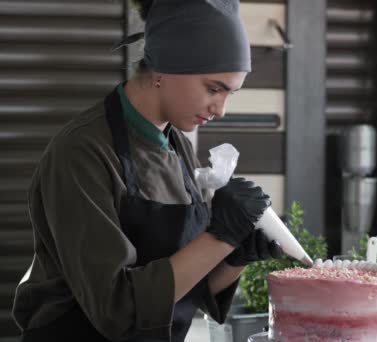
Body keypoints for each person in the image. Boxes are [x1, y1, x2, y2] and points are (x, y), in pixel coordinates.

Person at [11, 0, 283, 341]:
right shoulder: (82, 152)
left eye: (231, 93)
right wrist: (220, 236)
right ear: (165, 68)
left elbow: (186, 291)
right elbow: (116, 309)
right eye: (214, 89)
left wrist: (235, 255)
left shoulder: (177, 147)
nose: (221, 109)